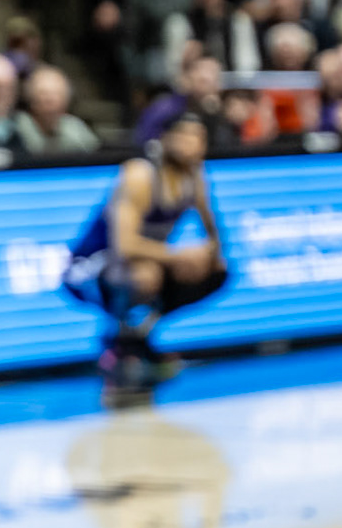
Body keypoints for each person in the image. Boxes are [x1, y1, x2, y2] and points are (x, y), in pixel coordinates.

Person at [62, 112, 228, 393]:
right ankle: (117, 344)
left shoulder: (195, 177)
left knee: (216, 270)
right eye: (185, 135)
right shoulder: (139, 175)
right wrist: (179, 256)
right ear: (165, 138)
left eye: (198, 138)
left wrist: (203, 254)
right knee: (145, 274)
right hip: (89, 265)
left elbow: (215, 239)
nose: (191, 144)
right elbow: (125, 246)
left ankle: (140, 338)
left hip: (142, 261)